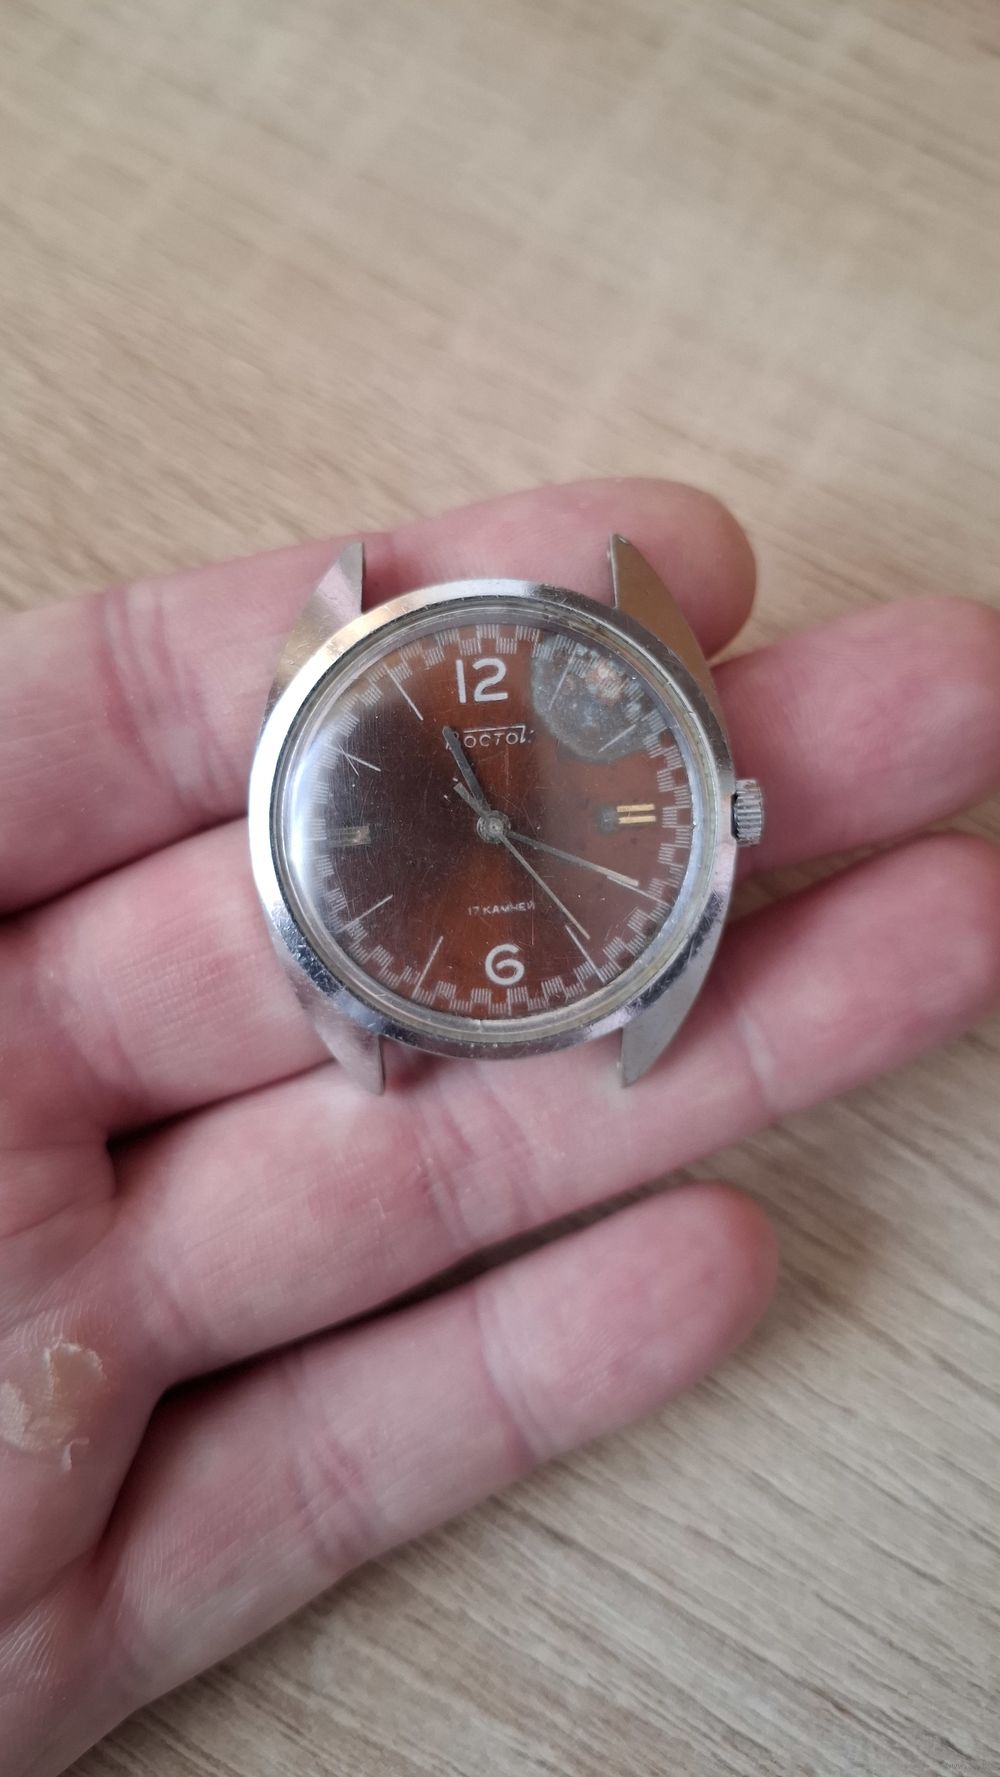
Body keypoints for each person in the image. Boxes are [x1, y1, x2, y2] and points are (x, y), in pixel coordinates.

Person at [2, 479, 999, 1775]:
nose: (487, 822)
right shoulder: (343, 810)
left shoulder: (662, 814)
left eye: (496, 814)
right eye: (480, 811)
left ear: (730, 810)